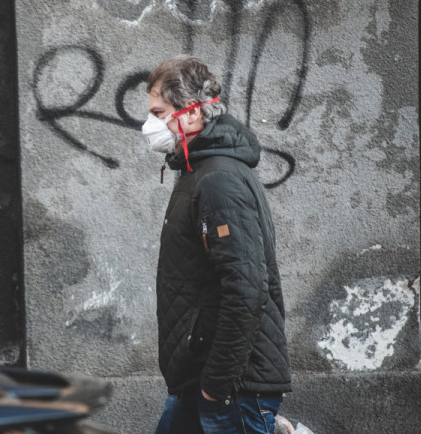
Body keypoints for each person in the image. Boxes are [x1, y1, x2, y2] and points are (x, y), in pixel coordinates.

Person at [143, 56, 292, 433]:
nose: (149, 125)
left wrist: (215, 388)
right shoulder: (198, 173)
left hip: (228, 389)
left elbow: (246, 289)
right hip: (201, 380)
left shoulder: (217, 181)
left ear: (192, 113)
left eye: (159, 113)